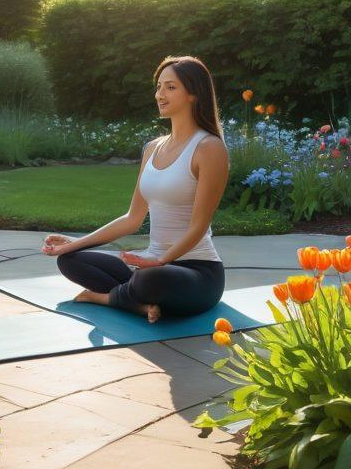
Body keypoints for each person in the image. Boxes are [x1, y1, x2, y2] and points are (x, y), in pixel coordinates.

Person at [42, 55, 229, 322]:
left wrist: (160, 261)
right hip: (150, 265)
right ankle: (138, 304)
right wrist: (74, 243)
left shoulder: (209, 148)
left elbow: (198, 227)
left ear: (193, 94)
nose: (160, 94)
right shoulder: (153, 148)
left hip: (197, 273)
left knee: (150, 279)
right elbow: (133, 218)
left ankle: (106, 298)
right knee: (70, 260)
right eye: (159, 86)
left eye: (171, 87)